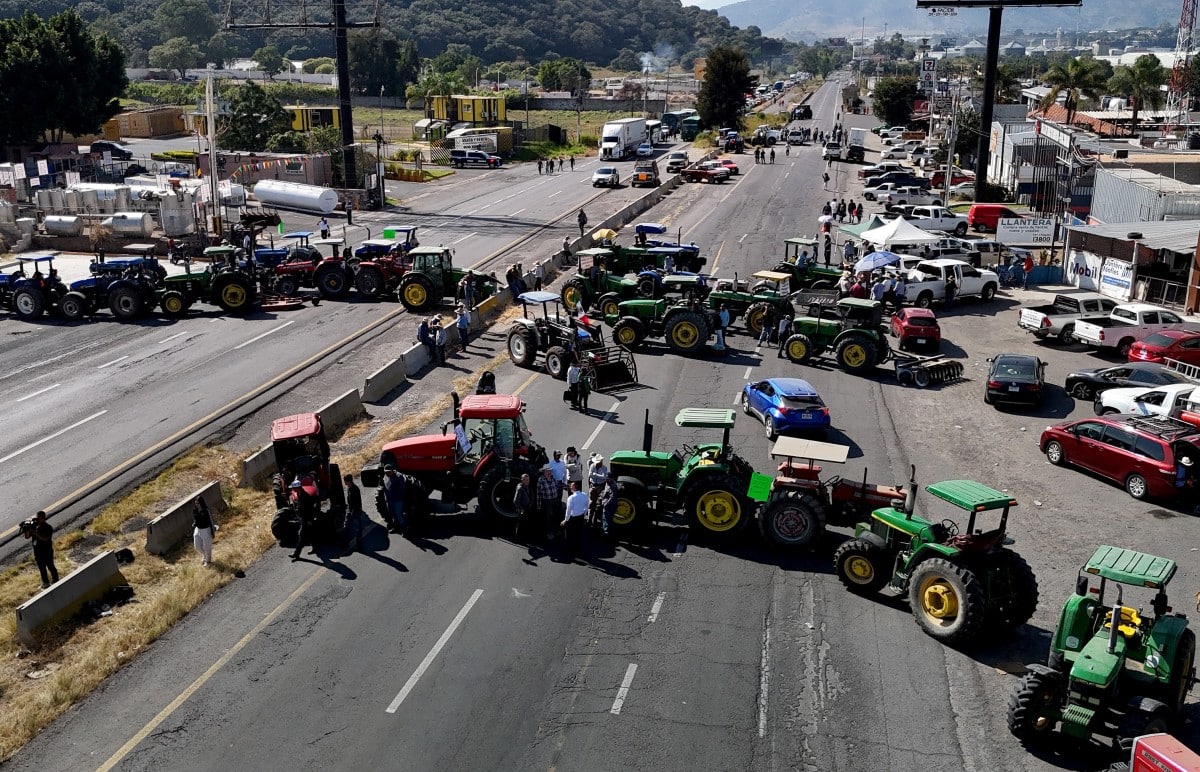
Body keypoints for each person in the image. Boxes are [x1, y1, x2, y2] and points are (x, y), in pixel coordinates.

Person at [24, 511, 58, 589]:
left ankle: (56, 580)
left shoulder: (48, 527)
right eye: (38, 518)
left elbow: (45, 538)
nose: (38, 520)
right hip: (38, 551)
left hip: (47, 551)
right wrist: (28, 529)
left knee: (50, 565)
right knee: (41, 567)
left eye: (40, 518)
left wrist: (35, 533)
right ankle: (45, 582)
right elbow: (27, 537)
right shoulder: (35, 527)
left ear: (44, 518)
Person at [561, 481, 590, 556]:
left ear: (573, 488)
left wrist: (565, 520)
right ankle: (578, 548)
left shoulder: (571, 498)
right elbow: (587, 506)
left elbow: (568, 511)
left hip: (572, 518)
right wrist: (584, 514)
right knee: (579, 533)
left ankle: (568, 550)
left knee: (569, 535)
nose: (570, 487)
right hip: (581, 517)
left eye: (571, 486)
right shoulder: (584, 495)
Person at [536, 465, 561, 541]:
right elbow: (538, 493)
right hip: (547, 502)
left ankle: (556, 530)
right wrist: (539, 505)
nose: (549, 472)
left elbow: (557, 487)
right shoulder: (541, 480)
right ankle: (549, 533)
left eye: (550, 471)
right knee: (548, 518)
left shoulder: (553, 478)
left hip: (554, 500)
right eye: (547, 471)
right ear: (544, 472)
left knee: (556, 516)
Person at [344, 474, 365, 553]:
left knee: (358, 529)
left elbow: (357, 503)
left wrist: (352, 513)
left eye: (345, 481)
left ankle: (359, 546)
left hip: (356, 512)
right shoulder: (349, 488)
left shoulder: (355, 489)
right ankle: (345, 543)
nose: (344, 482)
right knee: (346, 527)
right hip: (350, 510)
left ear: (348, 481)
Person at [192, 496, 216, 566]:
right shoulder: (195, 510)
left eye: (198, 503)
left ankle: (208, 561)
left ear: (201, 503)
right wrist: (194, 523)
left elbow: (210, 521)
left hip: (206, 529)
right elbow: (195, 519)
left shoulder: (206, 510)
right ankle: (205, 555)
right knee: (197, 546)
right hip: (198, 529)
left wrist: (212, 532)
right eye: (196, 503)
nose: (197, 505)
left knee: (207, 547)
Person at [382, 465, 406, 533]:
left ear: (393, 471)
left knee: (399, 515)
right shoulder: (385, 476)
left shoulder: (399, 477)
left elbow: (401, 490)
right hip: (390, 500)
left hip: (397, 500)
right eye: (386, 472)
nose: (387, 473)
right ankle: (396, 528)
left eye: (389, 472)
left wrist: (394, 495)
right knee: (393, 515)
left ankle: (404, 530)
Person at [513, 473, 534, 541]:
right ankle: (517, 538)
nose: (527, 481)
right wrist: (521, 508)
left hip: (526, 507)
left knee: (524, 523)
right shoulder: (520, 488)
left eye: (528, 479)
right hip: (522, 508)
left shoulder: (526, 486)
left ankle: (522, 537)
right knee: (520, 524)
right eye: (525, 480)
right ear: (522, 480)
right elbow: (515, 501)